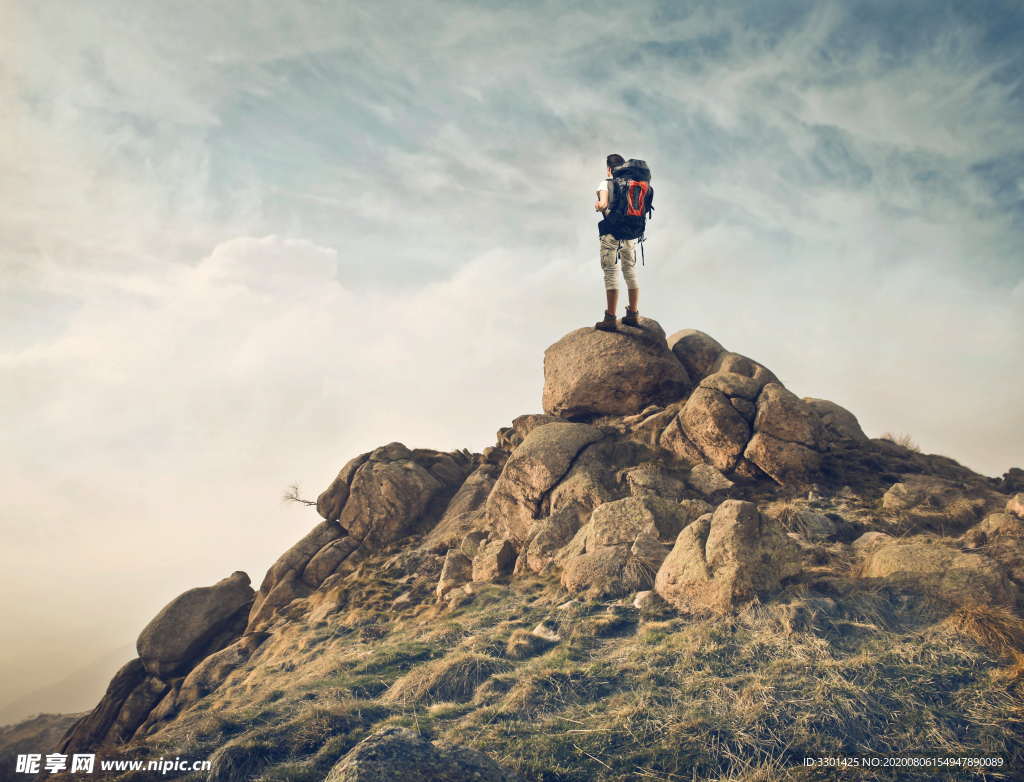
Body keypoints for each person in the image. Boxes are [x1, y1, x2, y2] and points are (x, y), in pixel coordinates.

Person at [594, 153, 640, 331]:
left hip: (611, 233)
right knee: (630, 272)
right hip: (630, 233)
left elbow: (604, 204)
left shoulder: (606, 183)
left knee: (611, 273)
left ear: (608, 168)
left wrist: (598, 205)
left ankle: (610, 318)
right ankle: (633, 314)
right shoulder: (631, 186)